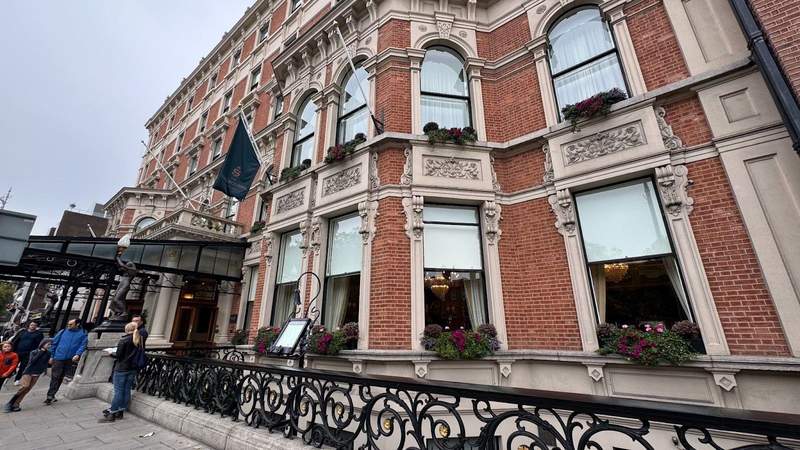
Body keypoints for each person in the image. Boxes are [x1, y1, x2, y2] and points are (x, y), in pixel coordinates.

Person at [99, 322, 142, 422]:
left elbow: (118, 355)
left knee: (118, 391)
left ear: (126, 329)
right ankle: (120, 411)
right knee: (126, 390)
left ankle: (113, 412)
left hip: (122, 368)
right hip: (132, 369)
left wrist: (110, 353)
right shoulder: (137, 339)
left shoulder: (124, 340)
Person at [45, 319, 88, 404]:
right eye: (68, 324)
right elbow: (54, 343)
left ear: (77, 324)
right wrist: (51, 356)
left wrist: (78, 354)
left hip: (70, 359)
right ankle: (50, 395)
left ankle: (52, 394)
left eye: (71, 324)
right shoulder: (63, 331)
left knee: (61, 376)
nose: (68, 326)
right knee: (55, 376)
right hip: (58, 357)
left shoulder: (83, 333)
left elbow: (83, 345)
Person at [5, 339, 51, 412]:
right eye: (48, 344)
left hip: (37, 373)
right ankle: (11, 401)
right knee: (25, 386)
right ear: (43, 344)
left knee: (27, 390)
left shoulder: (48, 353)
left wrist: (44, 370)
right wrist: (41, 352)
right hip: (29, 372)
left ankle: (16, 404)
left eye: (50, 345)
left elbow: (46, 363)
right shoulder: (34, 352)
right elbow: (32, 361)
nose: (49, 346)